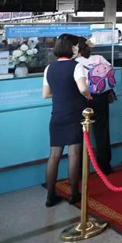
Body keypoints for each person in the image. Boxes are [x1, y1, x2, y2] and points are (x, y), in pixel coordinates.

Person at [42, 34, 93, 207]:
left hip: (57, 115)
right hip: (74, 114)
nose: (77, 48)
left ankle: (50, 195)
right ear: (70, 48)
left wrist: (61, 93)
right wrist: (88, 95)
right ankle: (73, 194)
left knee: (54, 155)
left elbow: (45, 94)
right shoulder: (76, 66)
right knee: (74, 154)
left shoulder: (49, 68)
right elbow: (83, 88)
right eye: (75, 45)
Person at [75, 38, 113, 175]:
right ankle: (104, 166)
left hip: (83, 97)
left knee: (81, 133)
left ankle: (79, 169)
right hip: (101, 96)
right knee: (102, 130)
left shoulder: (76, 63)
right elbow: (110, 71)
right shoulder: (99, 58)